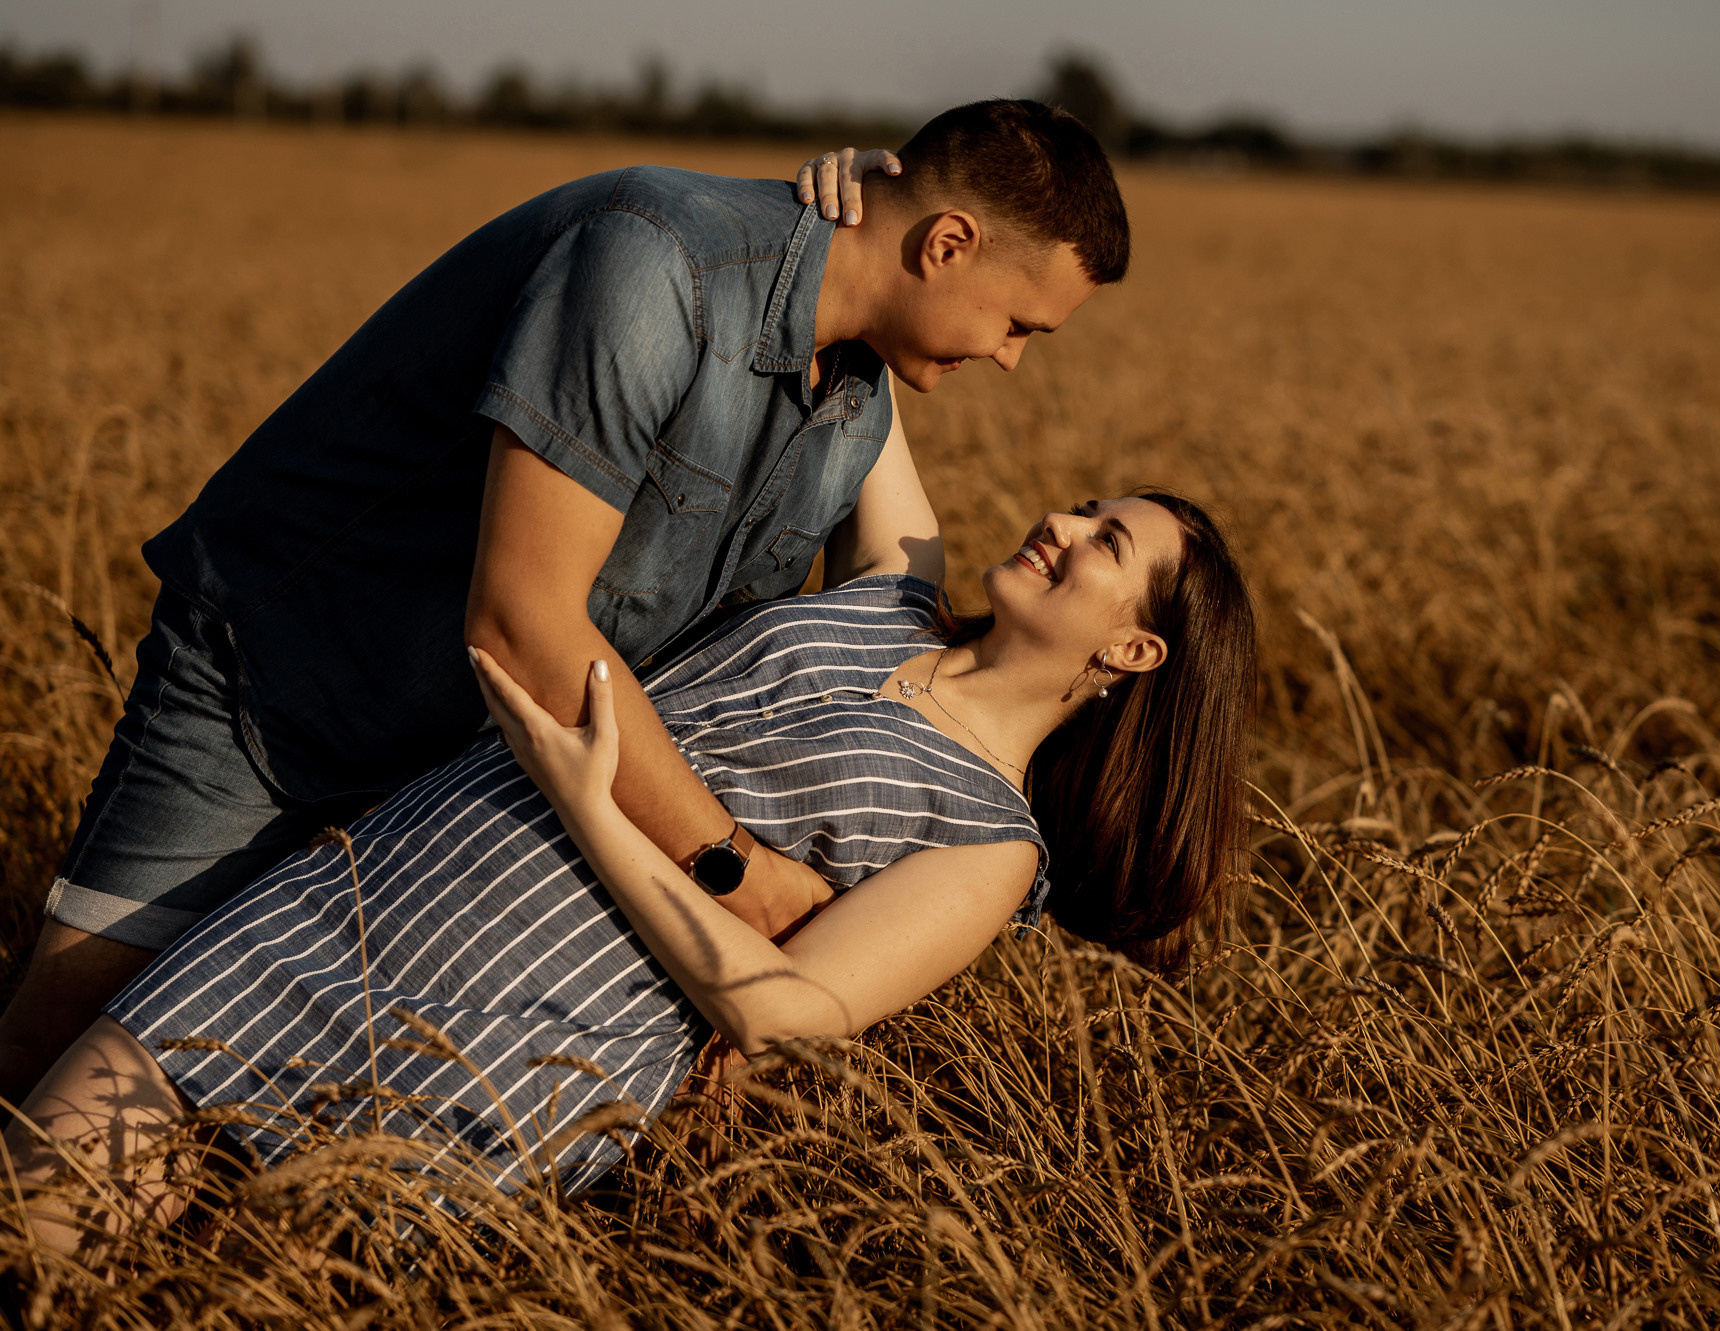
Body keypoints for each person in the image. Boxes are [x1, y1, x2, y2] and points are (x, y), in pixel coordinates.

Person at [0, 99, 1133, 1110]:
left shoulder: (855, 409)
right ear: (947, 244)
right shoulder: (655, 261)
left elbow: (844, 673)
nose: (1011, 359)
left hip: (463, 797)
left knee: (240, 1129)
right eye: (1019, 325)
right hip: (283, 700)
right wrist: (734, 871)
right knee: (57, 1063)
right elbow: (519, 621)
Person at [4, 449, 1257, 1251]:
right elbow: (880, 337)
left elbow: (786, 1007)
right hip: (349, 909)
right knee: (27, 1239)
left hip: (500, 1056)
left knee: (238, 1290)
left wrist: (590, 799)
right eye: (1086, 506)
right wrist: (849, 180)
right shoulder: (893, 587)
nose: (1061, 521)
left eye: (1105, 542)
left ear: (1132, 650)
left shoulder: (988, 844)